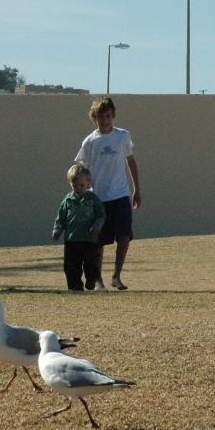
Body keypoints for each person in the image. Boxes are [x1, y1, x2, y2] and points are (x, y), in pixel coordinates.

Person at [74, 96, 140, 290]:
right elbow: (81, 170)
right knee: (99, 241)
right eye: (101, 117)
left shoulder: (122, 136)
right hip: (98, 198)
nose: (105, 120)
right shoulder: (90, 141)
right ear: (95, 118)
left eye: (108, 116)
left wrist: (137, 188)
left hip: (120, 194)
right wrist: (82, 194)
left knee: (124, 235)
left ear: (113, 116)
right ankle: (97, 280)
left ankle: (116, 276)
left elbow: (131, 162)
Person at [52, 163, 105, 291]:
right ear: (71, 184)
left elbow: (101, 215)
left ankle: (91, 281)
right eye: (75, 185)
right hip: (72, 239)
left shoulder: (92, 199)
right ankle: (75, 287)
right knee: (70, 266)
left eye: (82, 185)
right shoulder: (68, 199)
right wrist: (57, 229)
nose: (78, 188)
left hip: (89, 240)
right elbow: (61, 217)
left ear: (88, 183)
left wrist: (97, 225)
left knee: (90, 264)